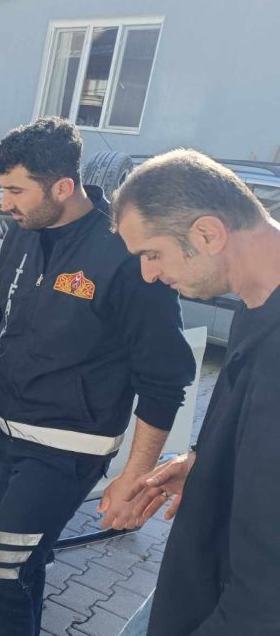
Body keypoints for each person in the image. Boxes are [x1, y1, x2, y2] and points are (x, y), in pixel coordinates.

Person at [0, 118, 195, 636]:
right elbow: (4, 321)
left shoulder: (127, 254)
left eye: (17, 191)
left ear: (64, 187)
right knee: (21, 564)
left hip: (67, 451)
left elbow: (166, 376)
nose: (6, 205)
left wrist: (133, 474)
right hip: (5, 435)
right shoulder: (24, 234)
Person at [111, 149, 280, 636]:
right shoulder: (258, 294)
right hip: (198, 581)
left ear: (208, 233)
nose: (147, 274)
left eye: (152, 254)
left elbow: (267, 597)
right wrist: (205, 463)